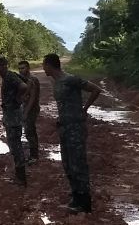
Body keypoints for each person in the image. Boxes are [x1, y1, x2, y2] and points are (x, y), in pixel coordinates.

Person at [43, 53, 101, 213]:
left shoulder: (70, 80)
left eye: (44, 65)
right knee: (67, 163)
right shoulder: (56, 82)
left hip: (75, 127)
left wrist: (85, 109)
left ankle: (84, 202)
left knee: (78, 163)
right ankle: (76, 197)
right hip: (64, 126)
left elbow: (96, 90)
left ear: (49, 65)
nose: (43, 68)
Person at [0, 56, 28, 186]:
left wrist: (18, 99)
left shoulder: (10, 76)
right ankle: (20, 176)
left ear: (4, 65)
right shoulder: (8, 76)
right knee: (14, 145)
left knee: (15, 146)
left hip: (13, 115)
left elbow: (24, 86)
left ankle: (21, 179)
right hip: (11, 114)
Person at [18, 60, 41, 162]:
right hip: (26, 107)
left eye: (23, 68)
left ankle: (34, 156)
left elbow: (32, 98)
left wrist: (26, 112)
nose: (21, 70)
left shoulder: (32, 80)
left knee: (30, 131)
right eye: (19, 68)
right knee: (29, 131)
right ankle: (33, 154)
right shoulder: (23, 80)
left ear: (28, 68)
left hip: (32, 108)